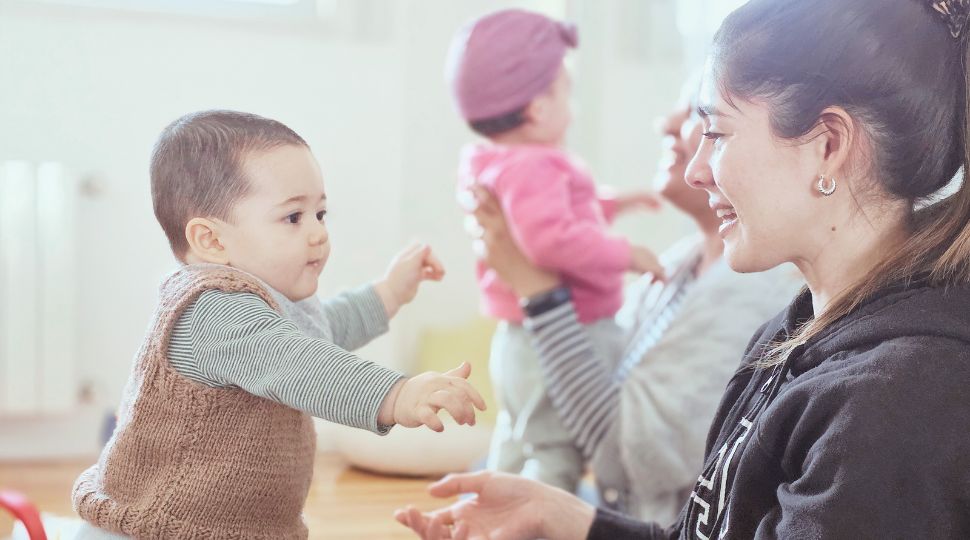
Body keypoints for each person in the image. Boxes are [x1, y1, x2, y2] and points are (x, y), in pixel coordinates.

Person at [396, 0, 970, 537]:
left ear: (828, 145)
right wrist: (575, 521)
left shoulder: (890, 408)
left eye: (716, 132)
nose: (697, 170)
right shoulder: (792, 331)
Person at [72, 110, 486, 540]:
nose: (318, 234)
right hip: (154, 530)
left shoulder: (272, 303)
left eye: (320, 214)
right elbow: (303, 363)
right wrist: (396, 393)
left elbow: (324, 328)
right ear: (211, 240)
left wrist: (390, 292)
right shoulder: (212, 308)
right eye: (293, 218)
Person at [445, 9, 664, 493]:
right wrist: (626, 254)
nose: (573, 106)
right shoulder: (535, 166)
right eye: (567, 92)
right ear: (538, 109)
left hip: (519, 340)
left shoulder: (493, 161)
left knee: (518, 438)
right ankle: (537, 520)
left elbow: (557, 216)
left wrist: (613, 203)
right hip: (563, 336)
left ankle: (490, 509)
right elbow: (550, 240)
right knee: (555, 457)